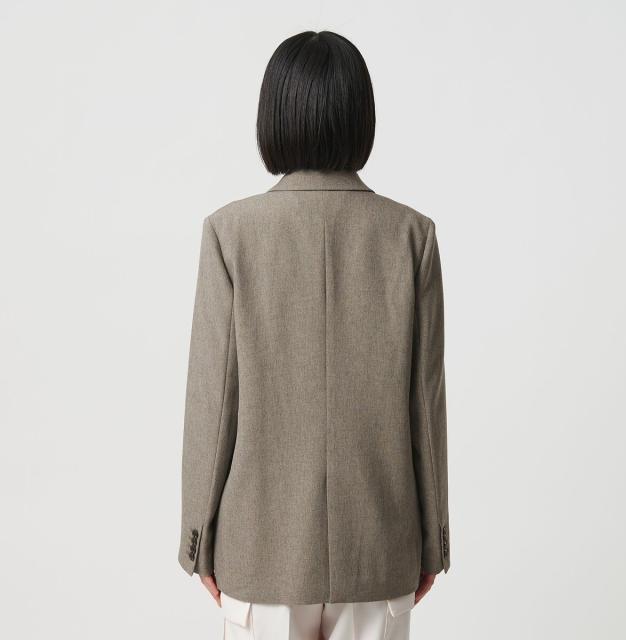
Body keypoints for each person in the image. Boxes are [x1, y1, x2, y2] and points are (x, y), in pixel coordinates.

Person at [179, 30, 450, 640]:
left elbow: (213, 405)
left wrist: (198, 538)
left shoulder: (230, 233)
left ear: (272, 117)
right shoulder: (412, 236)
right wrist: (432, 542)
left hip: (260, 552)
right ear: (362, 117)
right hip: (379, 549)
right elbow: (425, 405)